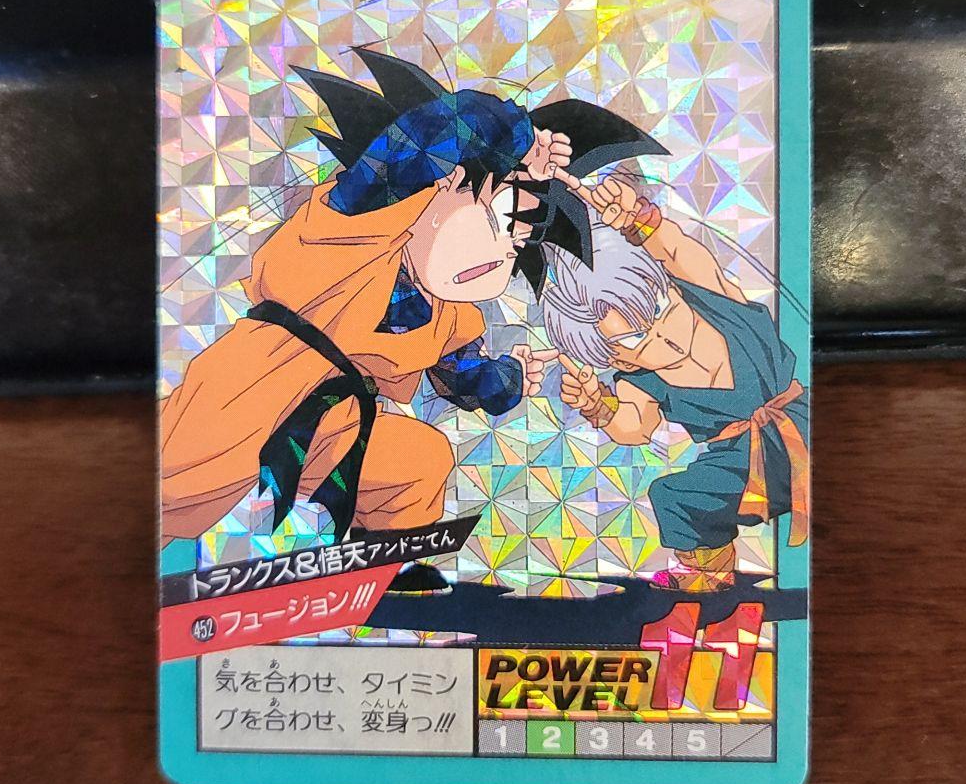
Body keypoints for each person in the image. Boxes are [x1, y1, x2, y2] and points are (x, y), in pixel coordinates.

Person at [161, 49, 667, 591]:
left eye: (517, 244)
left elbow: (464, 378)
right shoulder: (358, 223)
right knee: (183, 482)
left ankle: (381, 569)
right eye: (498, 223)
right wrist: (521, 139)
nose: (504, 252)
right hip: (255, 383)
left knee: (418, 462)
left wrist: (513, 376)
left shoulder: (449, 316)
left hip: (337, 420)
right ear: (441, 188)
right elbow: (431, 138)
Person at [541, 173, 809, 592]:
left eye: (661, 308)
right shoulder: (641, 379)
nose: (664, 337)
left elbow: (677, 249)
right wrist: (597, 405)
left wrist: (637, 219)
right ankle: (709, 576)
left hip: (808, 423)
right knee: (674, 496)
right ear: (618, 357)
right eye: (635, 338)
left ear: (671, 290)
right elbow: (634, 426)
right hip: (743, 468)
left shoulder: (712, 295)